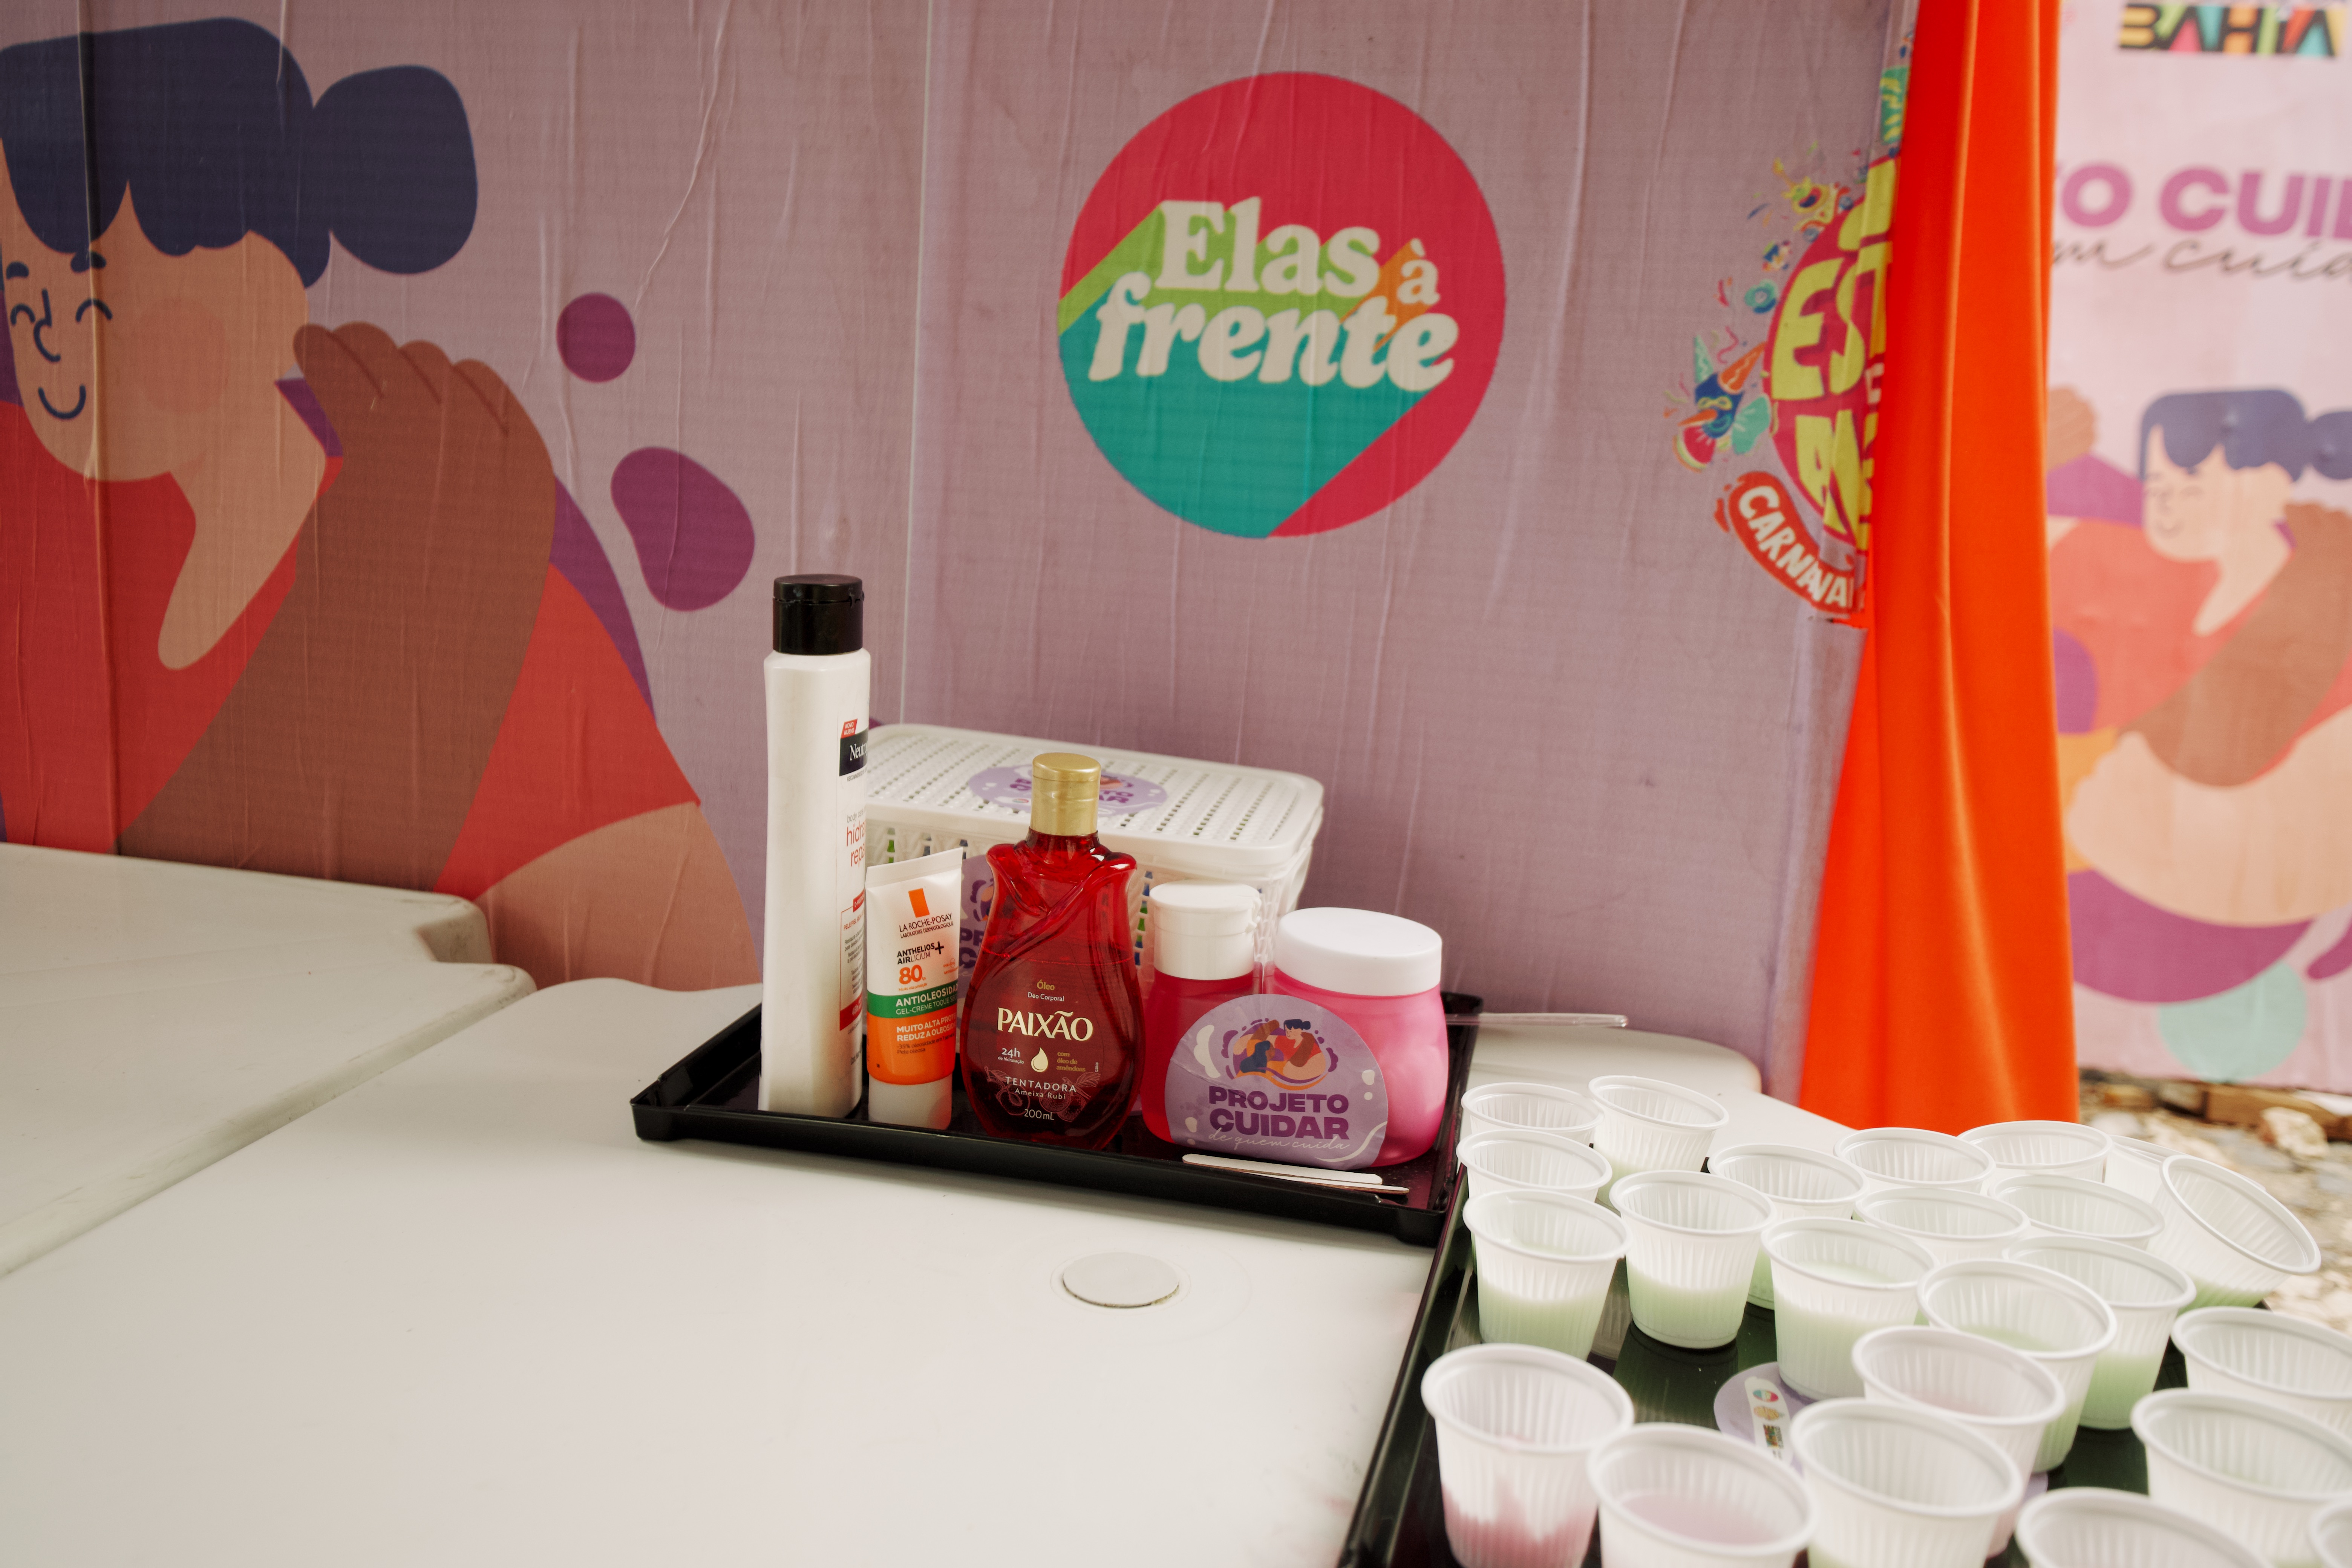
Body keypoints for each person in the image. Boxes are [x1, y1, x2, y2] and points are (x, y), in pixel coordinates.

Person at [0, 18, 755, 989]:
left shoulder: (454, 567)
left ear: (275, 282)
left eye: (102, 294)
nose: (54, 343)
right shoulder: (39, 510)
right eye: (22, 292)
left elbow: (690, 996)